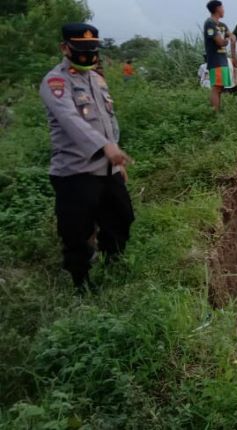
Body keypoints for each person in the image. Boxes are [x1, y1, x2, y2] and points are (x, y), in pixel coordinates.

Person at [39, 23, 134, 294]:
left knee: (122, 217)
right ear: (65, 48)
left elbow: (107, 121)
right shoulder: (55, 82)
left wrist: (114, 154)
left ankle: (112, 261)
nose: (88, 55)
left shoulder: (97, 79)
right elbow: (71, 121)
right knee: (77, 231)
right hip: (75, 172)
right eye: (81, 49)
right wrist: (106, 148)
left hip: (107, 169)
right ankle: (80, 282)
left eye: (92, 49)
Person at [204, 0, 233, 111]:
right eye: (222, 7)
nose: (224, 10)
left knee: (220, 87)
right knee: (216, 87)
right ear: (217, 9)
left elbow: (232, 36)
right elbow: (220, 42)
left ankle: (217, 110)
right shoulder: (209, 23)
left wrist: (229, 37)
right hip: (215, 60)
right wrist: (226, 39)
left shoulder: (222, 25)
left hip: (223, 60)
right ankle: (214, 112)